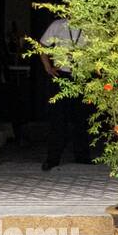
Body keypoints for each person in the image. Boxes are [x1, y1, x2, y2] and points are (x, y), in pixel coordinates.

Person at [39, 16, 89, 171]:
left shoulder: (90, 27)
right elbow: (42, 45)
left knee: (82, 118)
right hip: (62, 74)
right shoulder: (58, 25)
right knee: (58, 118)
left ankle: (83, 157)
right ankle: (53, 158)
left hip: (82, 76)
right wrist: (48, 67)